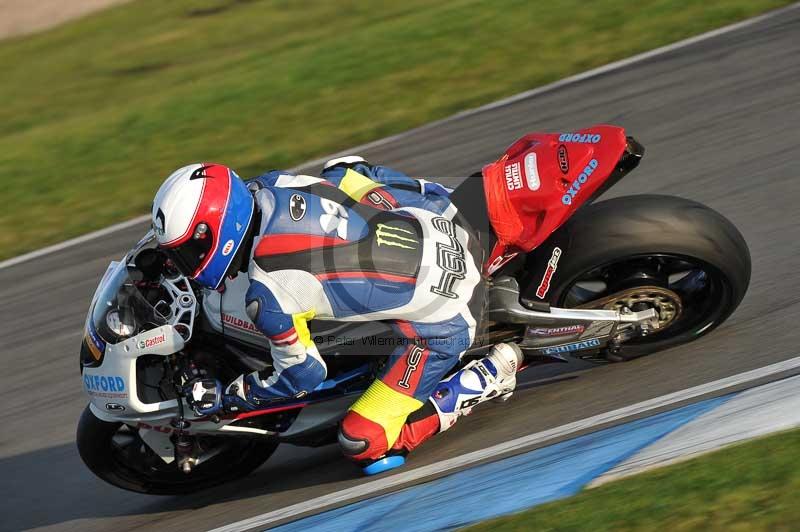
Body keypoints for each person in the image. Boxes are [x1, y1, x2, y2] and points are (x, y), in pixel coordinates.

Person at [151, 157, 522, 474]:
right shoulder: (271, 185)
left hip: (450, 317)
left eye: (188, 251)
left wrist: (232, 396)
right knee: (345, 170)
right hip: (435, 221)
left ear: (217, 234)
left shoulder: (270, 294)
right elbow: (330, 184)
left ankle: (489, 375)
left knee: (362, 441)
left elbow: (304, 375)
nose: (184, 263)